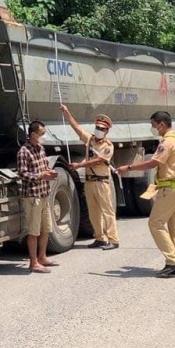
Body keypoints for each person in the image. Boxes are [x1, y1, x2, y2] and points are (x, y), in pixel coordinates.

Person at [117, 111, 175, 278]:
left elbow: (154, 163)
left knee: (155, 224)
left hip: (169, 189)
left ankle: (173, 261)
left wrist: (128, 168)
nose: (153, 128)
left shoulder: (167, 142)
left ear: (161, 124)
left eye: (153, 125)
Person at [59, 105, 118, 250]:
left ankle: (113, 239)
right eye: (98, 127)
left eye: (102, 129)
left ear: (107, 131)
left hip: (102, 181)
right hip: (90, 181)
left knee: (107, 211)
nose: (99, 130)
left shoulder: (108, 145)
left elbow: (99, 160)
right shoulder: (90, 139)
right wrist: (67, 114)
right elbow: (77, 128)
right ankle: (100, 238)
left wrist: (80, 165)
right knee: (93, 212)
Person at [17, 120, 61, 273]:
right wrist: (41, 175)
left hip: (44, 194)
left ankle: (42, 257)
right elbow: (22, 174)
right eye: (42, 134)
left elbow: (43, 166)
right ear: (33, 134)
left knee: (46, 229)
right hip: (32, 196)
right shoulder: (24, 152)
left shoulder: (41, 149)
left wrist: (49, 172)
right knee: (34, 231)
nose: (44, 137)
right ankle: (33, 262)